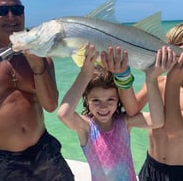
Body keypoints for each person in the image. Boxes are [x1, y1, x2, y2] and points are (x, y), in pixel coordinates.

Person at [0, 0, 74, 180]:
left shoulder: (42, 56)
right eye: (2, 11)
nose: (11, 16)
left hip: (43, 150)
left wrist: (38, 65)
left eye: (17, 10)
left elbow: (51, 105)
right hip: (1, 160)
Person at [58, 44, 176, 181]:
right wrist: (85, 74)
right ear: (87, 100)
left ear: (118, 100)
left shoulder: (124, 123)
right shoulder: (86, 127)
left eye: (110, 99)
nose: (103, 107)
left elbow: (157, 121)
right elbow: (63, 114)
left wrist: (151, 79)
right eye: (96, 100)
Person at [117, 22, 183, 181]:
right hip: (150, 166)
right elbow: (132, 109)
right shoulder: (157, 81)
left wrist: (173, 80)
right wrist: (122, 74)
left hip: (181, 174)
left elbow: (172, 129)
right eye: (178, 44)